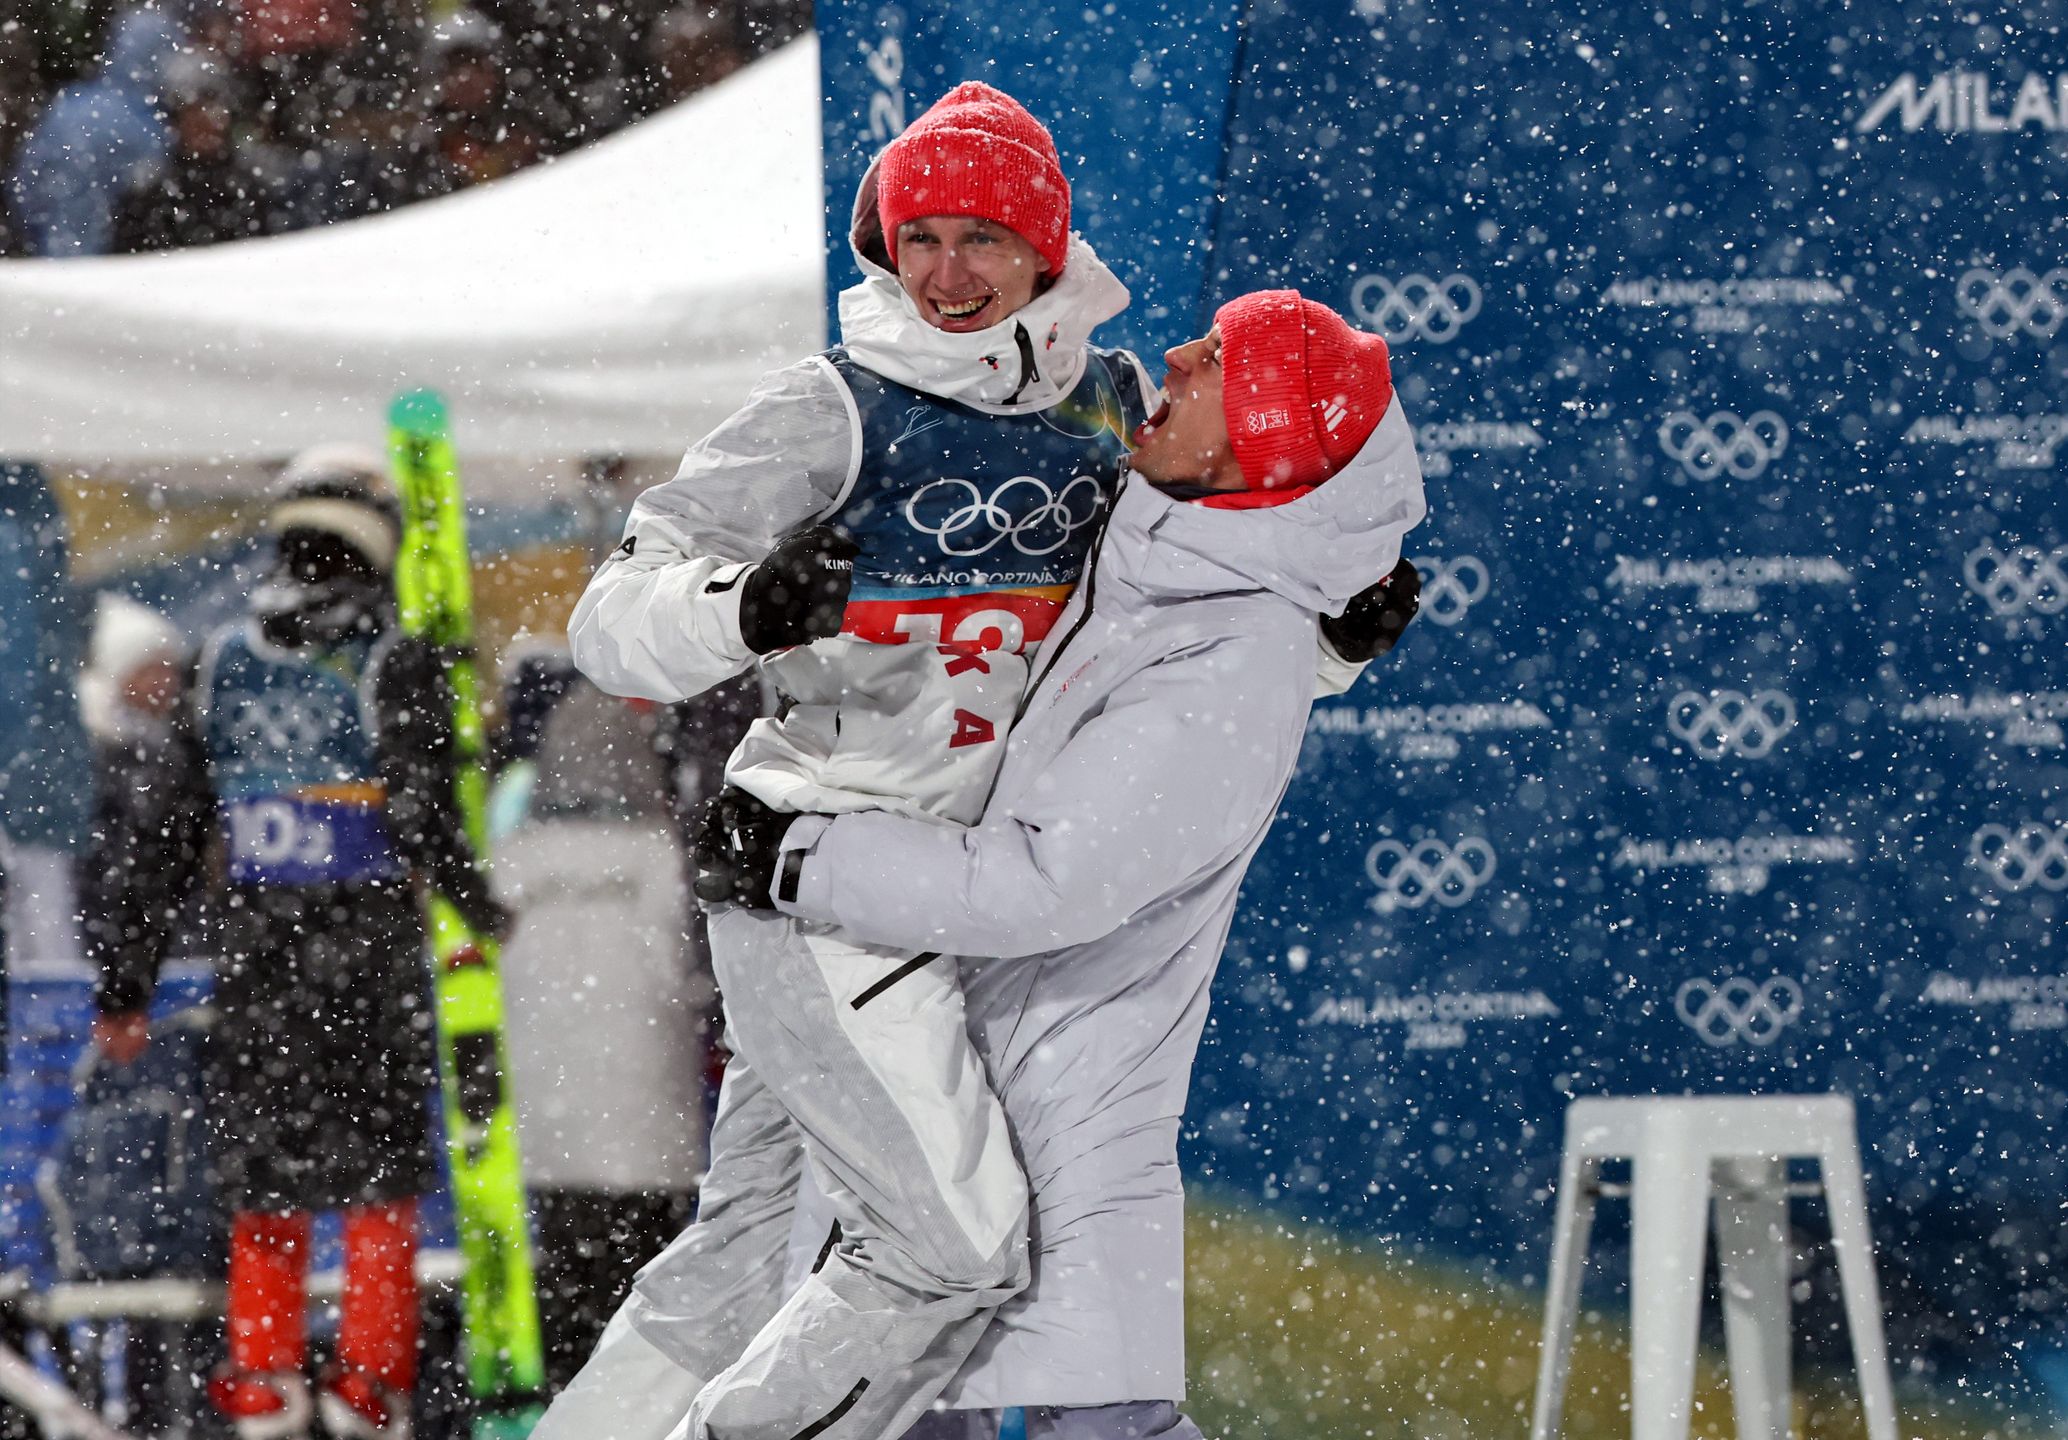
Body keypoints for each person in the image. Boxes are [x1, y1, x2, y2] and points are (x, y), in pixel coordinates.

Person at [549, 83, 1391, 1440]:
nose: (948, 273)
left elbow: (1151, 645)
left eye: (984, 241)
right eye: (920, 236)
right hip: (818, 878)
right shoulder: (829, 411)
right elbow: (610, 616)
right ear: (882, 245)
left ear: (1045, 256)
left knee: (744, 1257)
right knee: (953, 1250)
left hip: (951, 899)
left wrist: (1329, 648)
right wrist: (741, 608)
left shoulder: (1112, 412)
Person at [696, 290, 1427, 1440]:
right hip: (962, 1100)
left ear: (1262, 443)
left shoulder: (1226, 646)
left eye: (1221, 359)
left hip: (1043, 1139)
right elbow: (1059, 716)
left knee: (1061, 1417)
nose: (1178, 353)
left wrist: (799, 860)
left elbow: (1055, 877)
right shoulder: (1151, 556)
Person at [86, 447, 508, 1440]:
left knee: (263, 1180)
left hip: (260, 957)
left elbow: (164, 834)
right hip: (367, 953)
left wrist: (124, 986)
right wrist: (483, 912)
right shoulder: (394, 660)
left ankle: (264, 1378)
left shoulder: (216, 661)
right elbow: (423, 812)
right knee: (380, 1181)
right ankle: (368, 1380)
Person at [4, 6, 185, 256]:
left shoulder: (76, 98)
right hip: (91, 244)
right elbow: (147, 192)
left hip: (39, 231)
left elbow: (27, 175)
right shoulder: (143, 123)